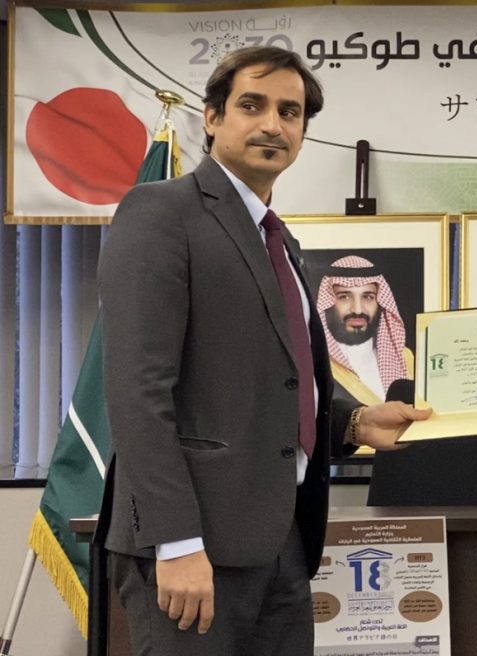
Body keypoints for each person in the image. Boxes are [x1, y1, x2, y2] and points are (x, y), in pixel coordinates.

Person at [96, 46, 429, 656]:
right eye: (253, 105)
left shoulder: (282, 241)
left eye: (291, 112)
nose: (273, 124)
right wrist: (176, 543)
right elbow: (136, 390)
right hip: (194, 548)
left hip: (282, 542)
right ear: (213, 118)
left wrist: (353, 421)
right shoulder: (160, 212)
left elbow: (274, 384)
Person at [317, 255, 413, 405]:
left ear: (380, 302)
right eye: (344, 297)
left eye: (368, 297)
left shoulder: (406, 359)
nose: (357, 309)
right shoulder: (315, 364)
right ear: (328, 303)